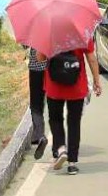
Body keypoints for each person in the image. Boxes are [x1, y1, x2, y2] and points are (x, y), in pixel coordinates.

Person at [44, 38, 102, 174]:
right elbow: (91, 58)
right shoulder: (81, 33)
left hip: (54, 86)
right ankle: (72, 163)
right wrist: (96, 81)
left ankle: (61, 149)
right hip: (77, 85)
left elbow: (40, 58)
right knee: (74, 122)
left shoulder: (49, 33)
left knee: (55, 119)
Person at [26, 46, 48, 160]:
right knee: (54, 105)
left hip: (36, 69)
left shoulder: (35, 29)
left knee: (35, 105)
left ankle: (40, 136)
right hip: (52, 70)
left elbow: (25, 44)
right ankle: (60, 144)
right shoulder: (57, 29)